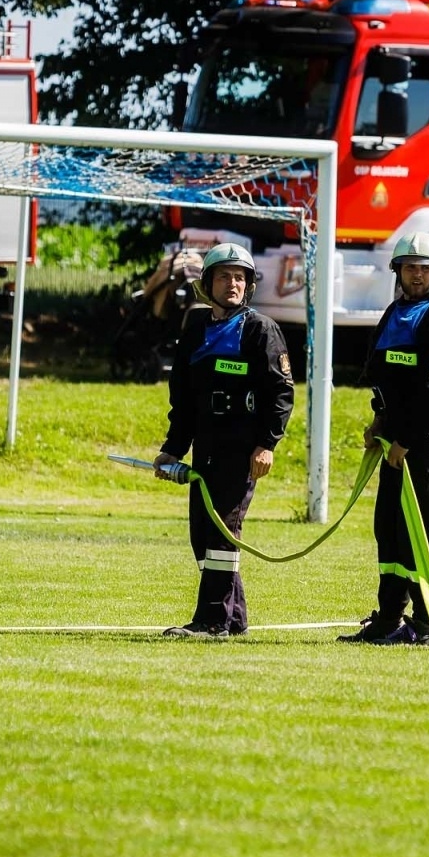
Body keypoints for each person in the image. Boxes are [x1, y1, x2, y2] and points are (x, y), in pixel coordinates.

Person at [340, 232, 429, 648]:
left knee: (423, 531)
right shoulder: (395, 312)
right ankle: (389, 620)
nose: (417, 275)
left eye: (424, 269)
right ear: (398, 271)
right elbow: (383, 375)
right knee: (391, 529)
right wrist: (379, 423)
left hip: (428, 440)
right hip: (397, 439)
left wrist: (406, 441)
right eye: (410, 267)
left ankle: (426, 625)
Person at [156, 243, 294, 638]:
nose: (232, 284)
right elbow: (183, 400)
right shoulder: (195, 329)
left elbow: (281, 393)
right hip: (206, 448)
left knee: (222, 532)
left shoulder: (261, 330)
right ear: (208, 284)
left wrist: (267, 444)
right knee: (202, 535)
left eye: (239, 278)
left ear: (248, 285)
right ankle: (233, 620)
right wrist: (172, 450)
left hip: (241, 450)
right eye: (224, 276)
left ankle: (212, 620)